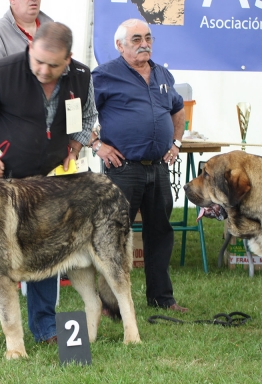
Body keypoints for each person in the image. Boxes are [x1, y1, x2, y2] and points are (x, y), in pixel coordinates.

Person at [0, 22, 98, 345]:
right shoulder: (1, 71)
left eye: (53, 65)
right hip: (1, 183)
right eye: (37, 61)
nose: (43, 70)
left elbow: (86, 117)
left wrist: (74, 148)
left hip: (48, 185)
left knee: (45, 254)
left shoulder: (81, 75)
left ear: (68, 59)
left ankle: (47, 329)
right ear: (30, 48)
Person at [92, 18, 188, 313]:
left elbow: (178, 108)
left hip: (158, 167)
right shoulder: (104, 75)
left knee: (160, 232)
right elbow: (78, 110)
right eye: (136, 39)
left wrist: (176, 143)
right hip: (123, 169)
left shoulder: (163, 74)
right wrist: (97, 145)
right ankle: (111, 302)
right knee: (115, 235)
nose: (144, 43)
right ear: (120, 45)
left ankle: (162, 297)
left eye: (147, 37)